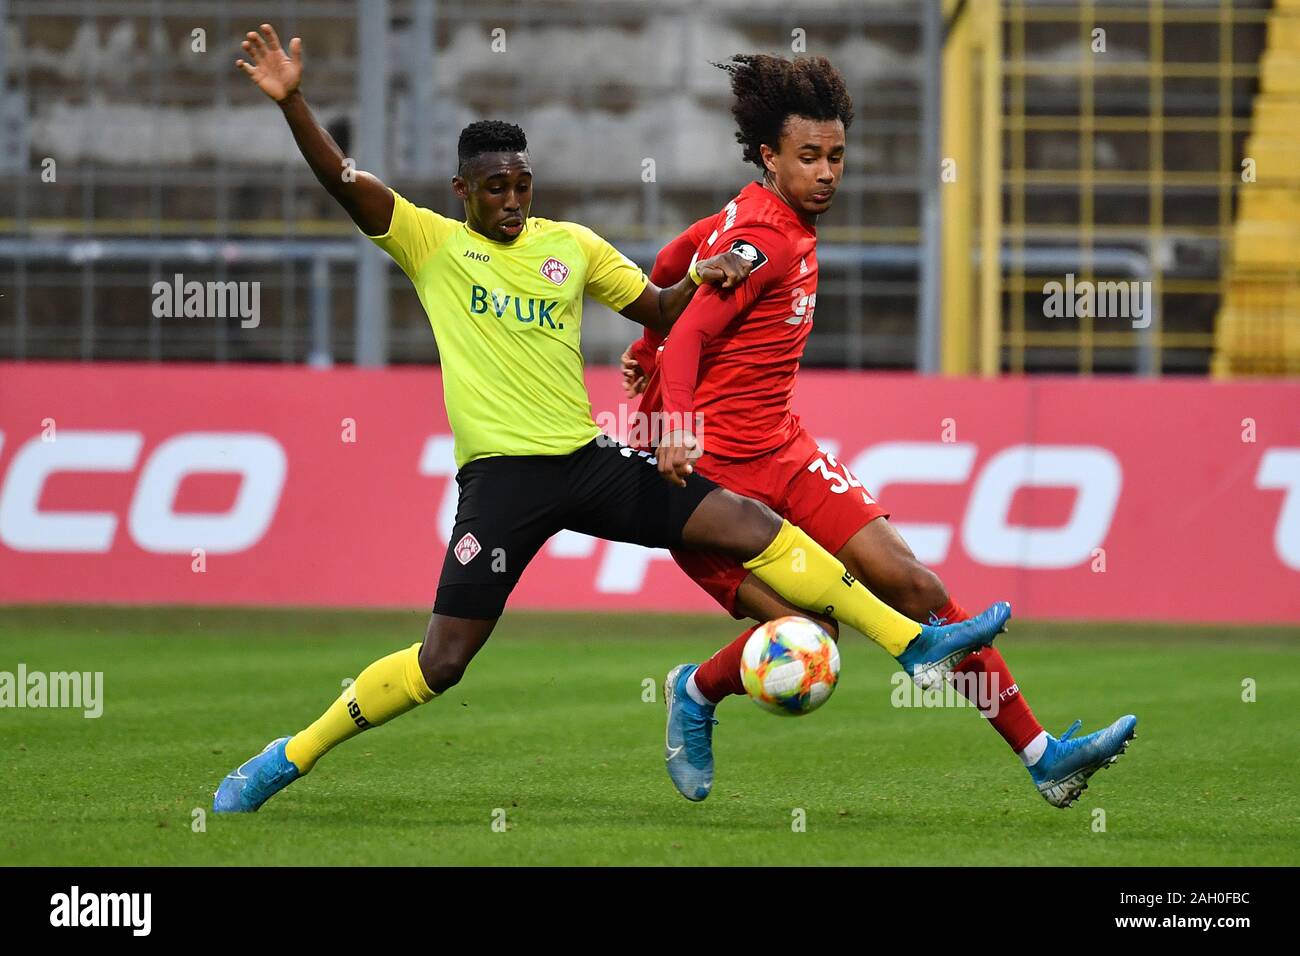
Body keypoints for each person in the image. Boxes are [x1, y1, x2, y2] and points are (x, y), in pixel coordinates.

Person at [213, 26, 1010, 814]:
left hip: (585, 461)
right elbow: (345, 183)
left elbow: (661, 306)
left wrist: (708, 272)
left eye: (522, 184)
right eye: (496, 188)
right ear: (463, 192)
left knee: (748, 521)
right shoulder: (432, 244)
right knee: (441, 663)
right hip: (501, 485)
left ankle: (913, 641)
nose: (513, 201)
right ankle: (288, 757)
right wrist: (294, 104)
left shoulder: (571, 246)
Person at [624, 54, 1136, 808]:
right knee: (811, 640)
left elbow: (673, 259)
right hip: (707, 484)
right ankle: (695, 693)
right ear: (770, 157)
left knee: (916, 587)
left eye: (835, 156)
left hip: (783, 450)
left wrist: (641, 347)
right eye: (809, 157)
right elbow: (695, 330)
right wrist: (675, 420)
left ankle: (1044, 756)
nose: (827, 172)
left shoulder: (753, 215)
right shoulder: (763, 240)